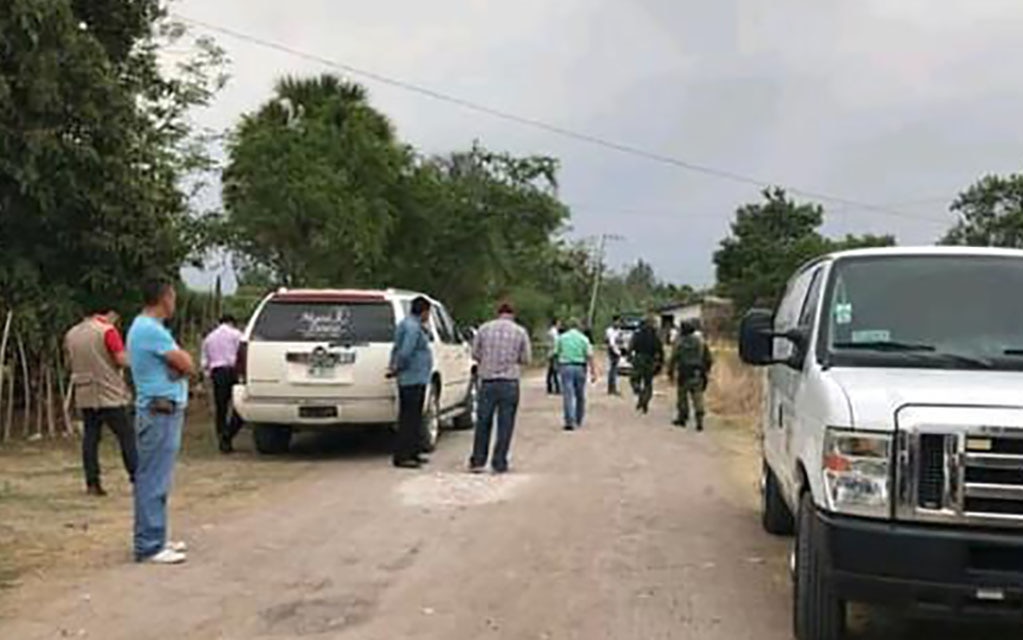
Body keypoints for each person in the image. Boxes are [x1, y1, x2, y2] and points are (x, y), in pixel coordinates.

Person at [127, 279, 194, 565]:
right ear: (164, 298)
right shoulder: (151, 331)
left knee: (159, 477)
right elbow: (186, 364)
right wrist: (180, 366)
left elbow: (179, 365)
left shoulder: (147, 330)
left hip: (162, 409)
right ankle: (149, 544)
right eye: (173, 297)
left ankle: (156, 535)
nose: (174, 303)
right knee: (153, 477)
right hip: (158, 411)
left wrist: (178, 367)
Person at [64, 306, 137, 496]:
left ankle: (92, 482)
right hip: (109, 392)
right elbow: (122, 360)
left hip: (85, 391)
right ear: (110, 313)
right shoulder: (107, 331)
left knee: (91, 438)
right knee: (127, 435)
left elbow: (68, 362)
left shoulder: (72, 333)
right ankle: (137, 477)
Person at [469, 302, 532, 474]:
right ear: (512, 314)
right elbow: (526, 358)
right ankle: (499, 462)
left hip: (487, 381)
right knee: (505, 424)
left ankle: (478, 460)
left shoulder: (483, 329)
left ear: (498, 313)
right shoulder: (520, 331)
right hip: (509, 382)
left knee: (483, 422)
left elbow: (474, 354)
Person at [388, 296, 434, 469]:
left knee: (414, 417)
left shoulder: (408, 324)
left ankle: (413, 452)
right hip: (412, 378)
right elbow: (406, 352)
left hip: (414, 377)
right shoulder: (413, 327)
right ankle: (403, 455)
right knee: (409, 418)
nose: (428, 316)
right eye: (428, 312)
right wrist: (397, 368)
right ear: (423, 311)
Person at [201, 315, 244, 454]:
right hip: (234, 372)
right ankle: (229, 434)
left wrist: (207, 376)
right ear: (232, 322)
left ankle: (222, 438)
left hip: (218, 372)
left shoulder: (209, 338)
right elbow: (243, 353)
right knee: (240, 405)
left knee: (221, 408)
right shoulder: (237, 334)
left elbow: (204, 363)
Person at [669, 320, 714, 431]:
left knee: (682, 396)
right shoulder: (700, 342)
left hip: (684, 372)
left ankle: (682, 418)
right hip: (697, 371)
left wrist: (670, 372)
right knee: (697, 396)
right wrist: (706, 370)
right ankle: (699, 419)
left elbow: (673, 358)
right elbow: (708, 358)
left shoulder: (679, 342)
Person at [555, 318, 597, 431]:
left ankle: (569, 420)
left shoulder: (562, 338)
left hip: (566, 366)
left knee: (568, 395)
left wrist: (557, 367)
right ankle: (578, 419)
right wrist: (593, 372)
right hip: (580, 367)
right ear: (578, 326)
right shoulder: (584, 339)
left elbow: (556, 353)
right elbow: (589, 356)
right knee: (580, 395)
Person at [629, 316, 664, 414]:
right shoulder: (655, 336)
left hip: (639, 359)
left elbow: (631, 347)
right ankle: (645, 400)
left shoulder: (637, 335)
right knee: (648, 383)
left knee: (634, 380)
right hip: (650, 361)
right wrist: (660, 363)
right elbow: (660, 351)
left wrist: (630, 358)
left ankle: (640, 393)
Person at [605, 316, 622, 396]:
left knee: (614, 370)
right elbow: (609, 342)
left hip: (617, 351)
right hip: (612, 350)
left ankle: (613, 388)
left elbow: (619, 341)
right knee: (612, 370)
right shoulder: (609, 331)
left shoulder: (619, 331)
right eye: (617, 321)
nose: (618, 323)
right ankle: (611, 388)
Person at [545, 319, 561, 395]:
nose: (560, 325)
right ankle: (557, 388)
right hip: (554, 353)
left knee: (551, 371)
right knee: (555, 371)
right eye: (559, 323)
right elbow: (556, 342)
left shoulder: (551, 331)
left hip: (551, 353)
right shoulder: (554, 332)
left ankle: (550, 387)